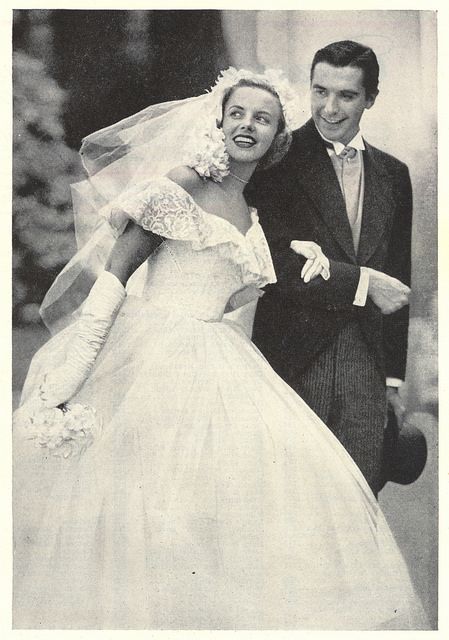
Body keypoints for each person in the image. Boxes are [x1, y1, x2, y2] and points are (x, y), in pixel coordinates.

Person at [13, 68, 426, 630]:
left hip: (223, 359)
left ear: (279, 134)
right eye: (238, 114)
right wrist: (70, 373)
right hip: (152, 355)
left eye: (263, 118)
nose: (247, 126)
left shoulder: (254, 209)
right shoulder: (179, 184)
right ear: (219, 120)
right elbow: (113, 284)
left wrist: (320, 261)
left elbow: (252, 290)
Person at [248, 41, 413, 497]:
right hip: (292, 360)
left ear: (371, 98)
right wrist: (360, 283)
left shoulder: (394, 174)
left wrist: (393, 383)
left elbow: (398, 280)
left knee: (359, 501)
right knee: (292, 501)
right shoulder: (276, 158)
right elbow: (274, 263)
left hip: (367, 369)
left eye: (347, 95)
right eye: (320, 91)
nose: (329, 108)